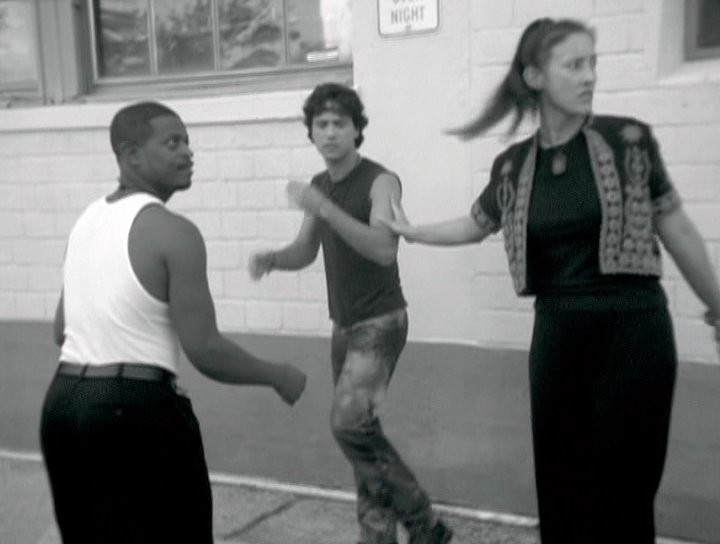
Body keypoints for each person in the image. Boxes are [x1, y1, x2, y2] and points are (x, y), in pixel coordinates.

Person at [384, 18, 720, 544]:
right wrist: (415, 231)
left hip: (634, 331)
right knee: (561, 485)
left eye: (593, 63)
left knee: (626, 491)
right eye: (574, 64)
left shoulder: (629, 140)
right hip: (559, 335)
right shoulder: (513, 166)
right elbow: (476, 223)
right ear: (535, 76)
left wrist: (717, 306)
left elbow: (675, 226)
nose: (589, 76)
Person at [40, 101, 307, 544]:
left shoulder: (85, 221)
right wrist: (276, 375)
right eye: (172, 142)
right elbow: (204, 349)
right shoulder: (174, 232)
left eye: (187, 141)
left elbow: (59, 331)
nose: (187, 152)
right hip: (134, 410)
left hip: (64, 405)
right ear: (131, 156)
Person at [249, 83, 453, 544]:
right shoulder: (321, 186)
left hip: (381, 323)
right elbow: (306, 249)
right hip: (344, 327)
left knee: (347, 424)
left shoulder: (381, 181)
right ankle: (377, 535)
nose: (330, 132)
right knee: (362, 432)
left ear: (357, 130)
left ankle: (424, 523)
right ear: (311, 133)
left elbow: (383, 249)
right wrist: (274, 259)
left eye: (340, 123)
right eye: (321, 124)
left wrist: (323, 207)